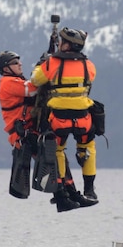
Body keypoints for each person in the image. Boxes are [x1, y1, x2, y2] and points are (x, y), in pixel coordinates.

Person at [31, 27, 99, 212]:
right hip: (83, 119)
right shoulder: (89, 65)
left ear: (67, 44)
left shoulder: (52, 63)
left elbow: (36, 80)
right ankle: (89, 189)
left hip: (59, 119)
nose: (59, 44)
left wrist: (42, 63)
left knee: (58, 151)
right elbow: (88, 80)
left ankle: (62, 190)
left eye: (62, 41)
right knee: (88, 148)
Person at [0, 51, 37, 148]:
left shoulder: (15, 81)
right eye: (15, 62)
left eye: (19, 61)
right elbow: (33, 89)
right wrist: (42, 71)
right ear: (6, 69)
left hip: (27, 130)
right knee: (49, 159)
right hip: (22, 134)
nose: (20, 64)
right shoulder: (7, 82)